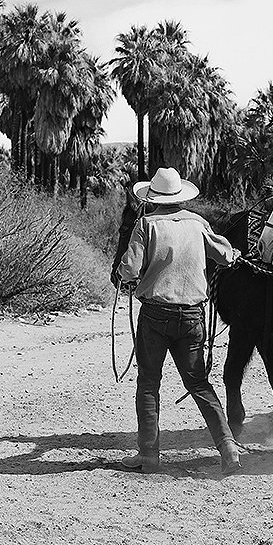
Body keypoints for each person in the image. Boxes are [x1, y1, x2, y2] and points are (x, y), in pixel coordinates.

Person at [116, 167, 242, 475]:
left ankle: (148, 456)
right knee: (199, 383)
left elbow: (129, 270)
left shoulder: (146, 224)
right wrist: (233, 251)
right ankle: (229, 450)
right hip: (192, 316)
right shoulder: (198, 223)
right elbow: (226, 256)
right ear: (180, 196)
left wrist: (127, 274)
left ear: (153, 197)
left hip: (156, 314)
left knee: (148, 383)